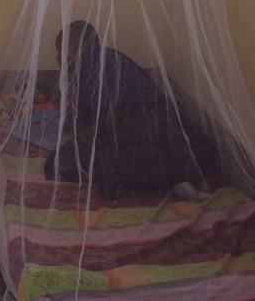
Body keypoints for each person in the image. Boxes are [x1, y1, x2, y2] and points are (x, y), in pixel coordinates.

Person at [44, 21, 214, 199]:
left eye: (60, 49)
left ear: (78, 47)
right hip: (140, 122)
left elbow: (113, 118)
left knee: (66, 163)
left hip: (147, 120)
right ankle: (173, 178)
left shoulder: (106, 63)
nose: (57, 56)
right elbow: (90, 110)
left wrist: (86, 131)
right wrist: (75, 119)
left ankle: (170, 180)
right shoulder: (88, 68)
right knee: (66, 161)